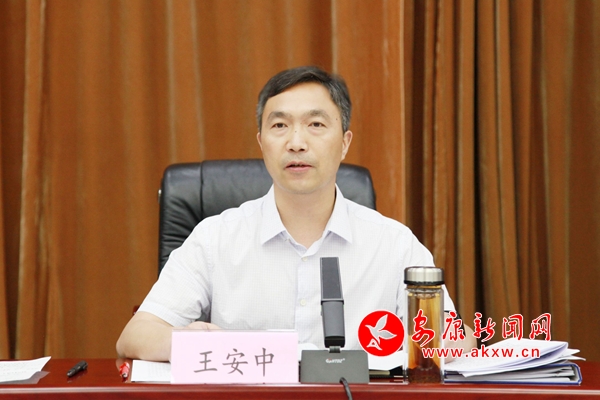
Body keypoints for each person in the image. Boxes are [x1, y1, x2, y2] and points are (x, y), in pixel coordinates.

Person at [116, 66, 476, 361]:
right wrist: (196, 344)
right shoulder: (216, 238)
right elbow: (136, 336)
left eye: (316, 125)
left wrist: (421, 346)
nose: (296, 142)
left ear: (345, 143)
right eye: (279, 126)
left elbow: (457, 340)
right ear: (261, 142)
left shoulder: (394, 244)